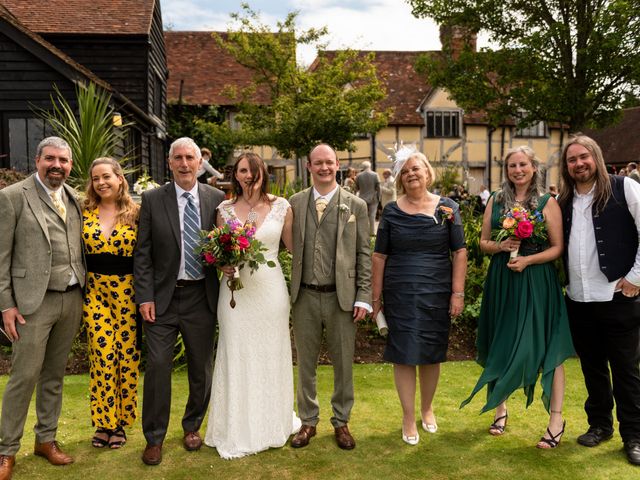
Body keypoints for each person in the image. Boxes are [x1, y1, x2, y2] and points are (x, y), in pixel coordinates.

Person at [461, 146, 574, 449]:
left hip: (537, 280)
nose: (517, 170)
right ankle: (500, 408)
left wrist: (527, 261)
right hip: (503, 279)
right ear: (507, 170)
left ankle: (556, 419)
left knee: (548, 346)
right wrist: (501, 246)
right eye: (512, 165)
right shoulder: (497, 201)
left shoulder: (548, 202)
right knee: (501, 339)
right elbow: (483, 242)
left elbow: (557, 248)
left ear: (533, 167)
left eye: (523, 164)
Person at [134, 137, 225, 466]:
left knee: (201, 367)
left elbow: (224, 246)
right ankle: (154, 438)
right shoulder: (152, 199)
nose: (185, 164)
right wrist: (144, 295)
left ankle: (192, 426)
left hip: (202, 296)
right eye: (179, 158)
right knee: (158, 366)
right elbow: (142, 254)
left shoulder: (216, 199)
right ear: (169, 163)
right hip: (162, 299)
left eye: (191, 158)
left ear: (200, 163)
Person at [204, 152, 299, 459]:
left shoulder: (281, 207)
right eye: (243, 170)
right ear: (236, 174)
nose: (248, 176)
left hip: (269, 291)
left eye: (254, 171)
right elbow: (216, 250)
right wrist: (222, 265)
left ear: (263, 174)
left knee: (270, 353)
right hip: (234, 293)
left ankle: (272, 423)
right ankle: (235, 427)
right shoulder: (225, 208)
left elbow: (293, 249)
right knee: (236, 352)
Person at [0, 136, 85, 478]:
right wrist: (6, 305)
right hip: (31, 304)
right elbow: (1, 256)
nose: (57, 165)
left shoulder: (74, 198)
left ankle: (46, 440)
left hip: (71, 298)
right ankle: (6, 450)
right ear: (37, 161)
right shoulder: (11, 197)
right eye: (50, 159)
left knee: (54, 375)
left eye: (63, 161)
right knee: (24, 376)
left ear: (70, 166)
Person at [372, 152, 467, 445]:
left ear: (427, 172)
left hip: (436, 292)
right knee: (403, 354)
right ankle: (408, 416)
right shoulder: (390, 211)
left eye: (417, 168)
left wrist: (457, 293)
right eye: (406, 171)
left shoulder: (448, 208)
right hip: (400, 291)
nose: (411, 174)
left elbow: (460, 252)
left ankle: (427, 408)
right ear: (400, 178)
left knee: (430, 353)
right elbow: (379, 255)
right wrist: (375, 299)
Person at [558, 134, 640, 465]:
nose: (578, 164)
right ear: (566, 167)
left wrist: (636, 278)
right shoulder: (563, 201)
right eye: (571, 160)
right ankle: (600, 425)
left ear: (597, 157)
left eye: (583, 157)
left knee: (625, 370)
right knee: (592, 369)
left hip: (617, 295)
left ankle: (634, 435)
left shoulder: (625, 188)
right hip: (578, 299)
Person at [289, 143, 372, 450]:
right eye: (317, 163)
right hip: (305, 295)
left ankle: (342, 421)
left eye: (329, 162)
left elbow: (365, 252)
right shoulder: (294, 203)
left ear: (338, 165)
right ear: (309, 166)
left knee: (343, 363)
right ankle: (308, 421)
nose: (324, 167)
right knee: (305, 363)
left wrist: (364, 295)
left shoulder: (356, 205)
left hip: (343, 296)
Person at [82, 157, 140, 449]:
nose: (101, 182)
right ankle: (105, 422)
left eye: (106, 176)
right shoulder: (84, 212)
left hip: (128, 293)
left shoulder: (136, 213)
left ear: (119, 178)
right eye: (96, 178)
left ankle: (121, 424)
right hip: (95, 293)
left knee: (125, 357)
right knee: (102, 356)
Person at [355, 161, 381, 235]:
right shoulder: (375, 174)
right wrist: (379, 197)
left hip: (362, 198)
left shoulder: (358, 175)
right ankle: (372, 232)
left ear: (363, 167)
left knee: (363, 216)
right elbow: (379, 187)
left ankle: (363, 232)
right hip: (373, 198)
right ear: (370, 166)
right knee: (372, 215)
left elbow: (356, 187)